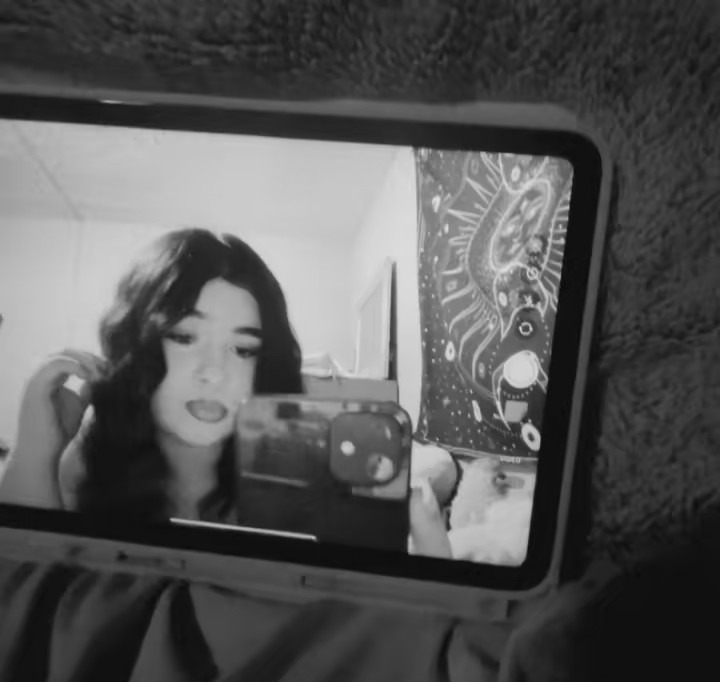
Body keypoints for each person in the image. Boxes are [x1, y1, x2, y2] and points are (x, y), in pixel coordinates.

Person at [0, 228, 451, 556]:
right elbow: (29, 589)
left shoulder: (301, 471)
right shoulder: (93, 458)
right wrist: (35, 455)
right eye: (183, 337)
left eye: (243, 349)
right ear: (139, 345)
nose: (214, 372)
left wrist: (430, 549)